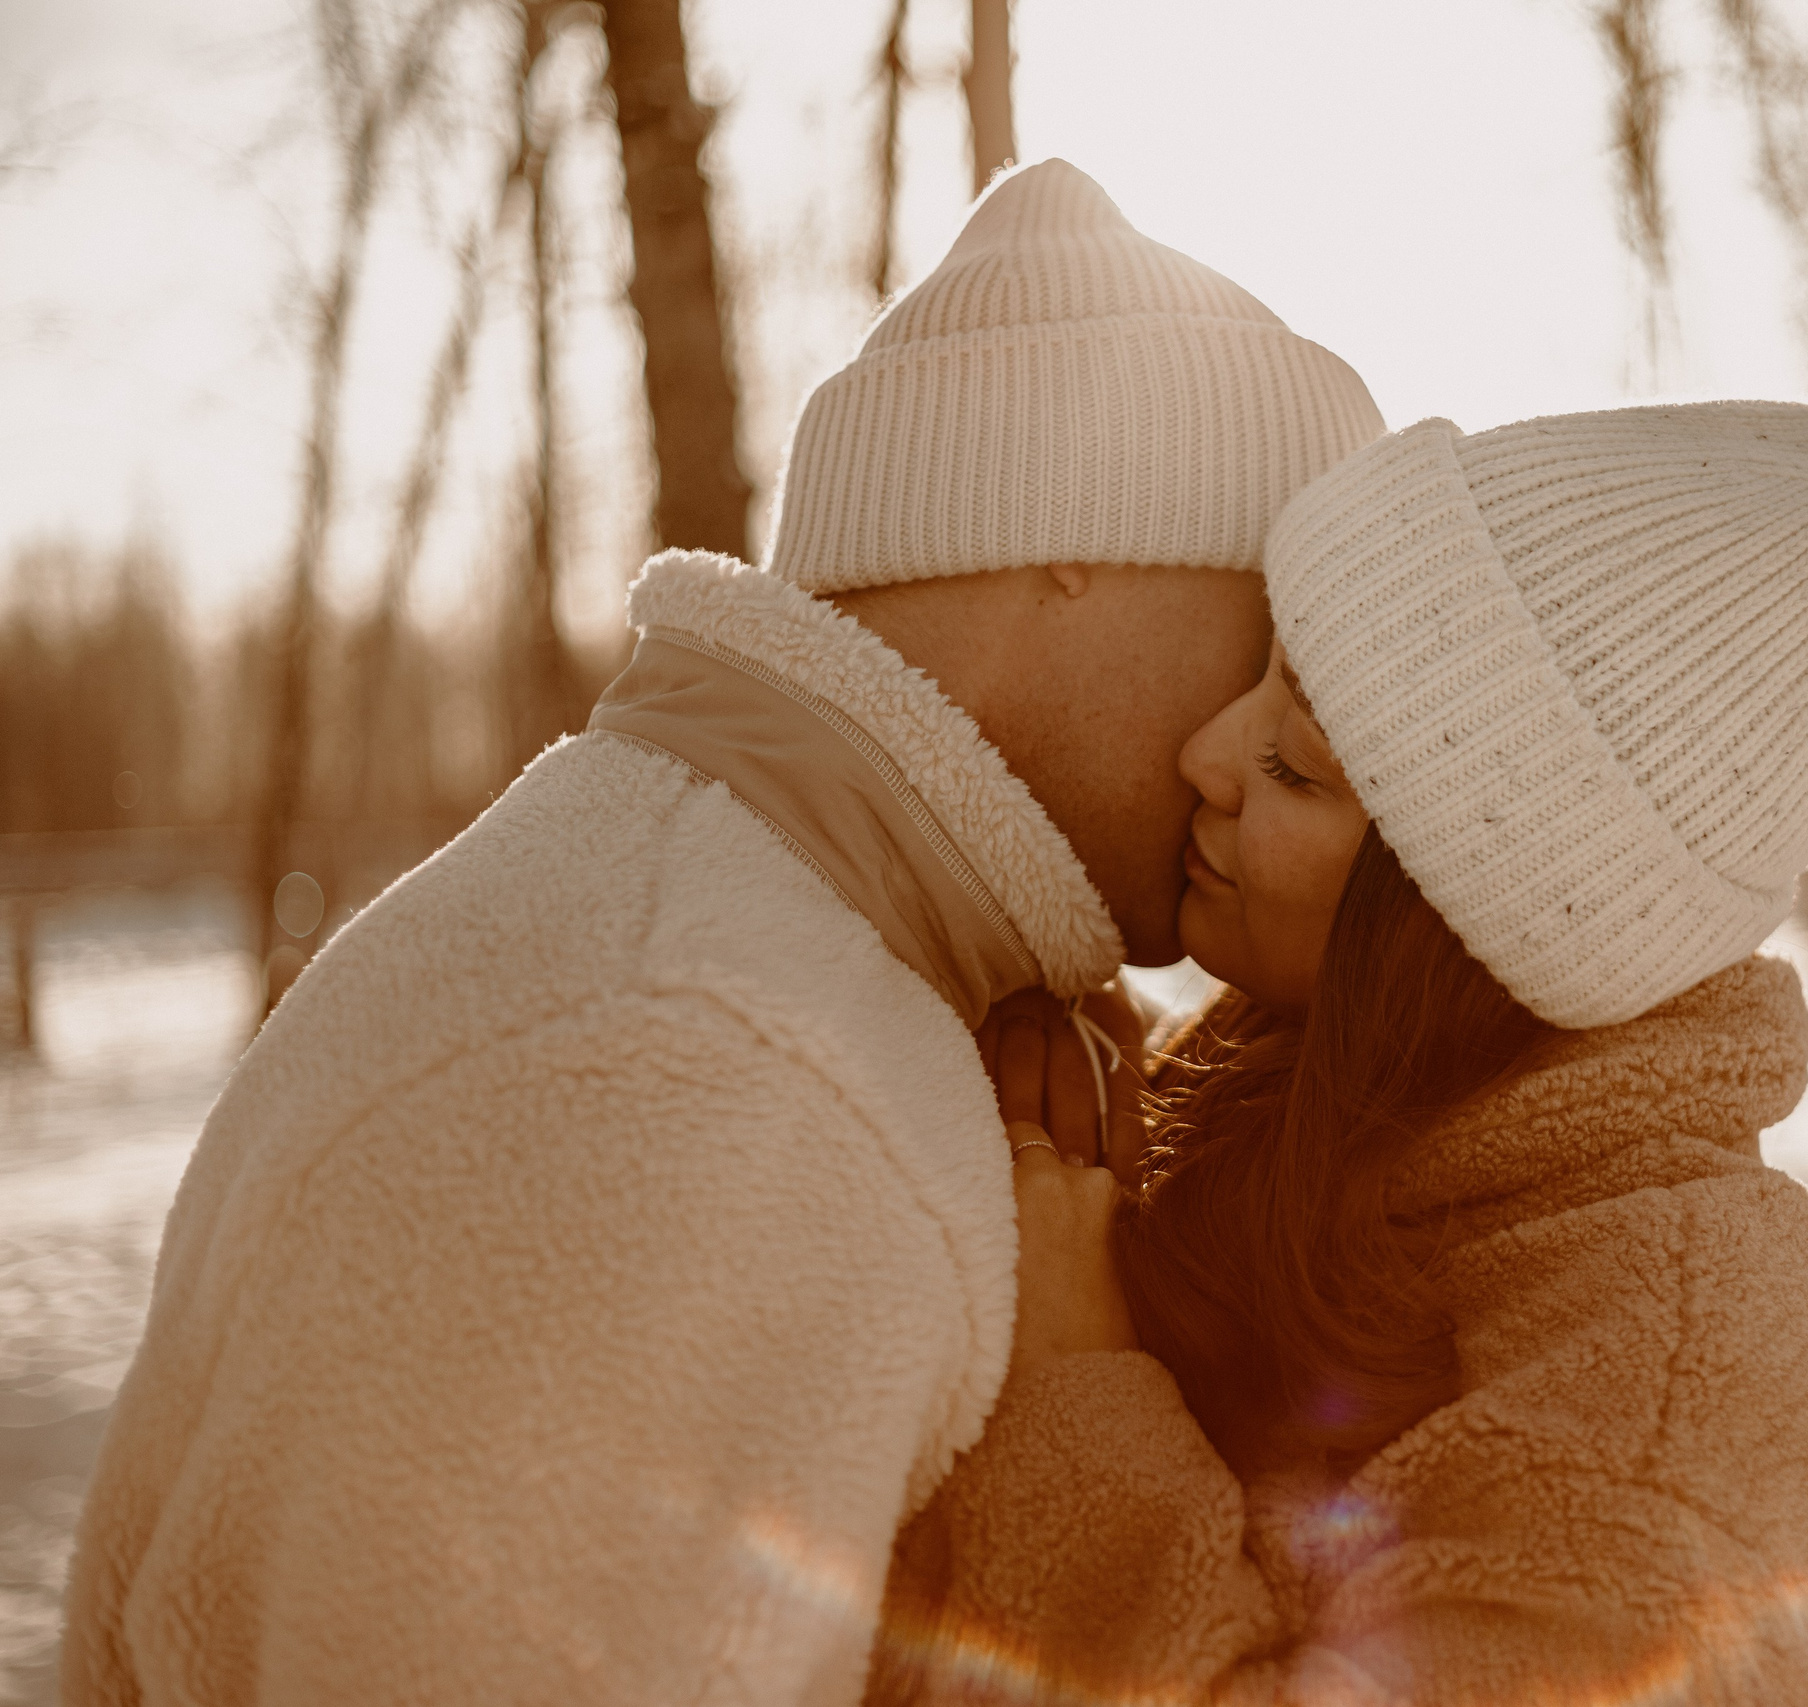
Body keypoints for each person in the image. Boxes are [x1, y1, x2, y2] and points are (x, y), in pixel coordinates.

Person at [60, 160, 1384, 1706]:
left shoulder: (737, 952)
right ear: (1076, 542)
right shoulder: (675, 1057)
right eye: (1270, 622)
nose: (1259, 733)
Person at [872, 401, 1808, 1705]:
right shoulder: (1365, 1111)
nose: (1204, 756)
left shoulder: (1676, 1434)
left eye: (1294, 765)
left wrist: (1072, 1397)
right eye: (1255, 681)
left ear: (1461, 915)